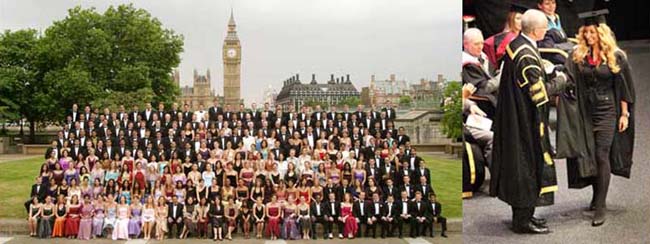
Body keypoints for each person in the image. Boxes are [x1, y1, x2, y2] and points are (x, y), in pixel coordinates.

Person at [491, 9, 568, 234]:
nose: (547, 31)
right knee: (526, 165)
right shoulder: (526, 55)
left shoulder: (517, 44)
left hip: (515, 116)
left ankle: (527, 215)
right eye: (545, 28)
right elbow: (539, 95)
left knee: (524, 165)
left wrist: (545, 69)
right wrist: (561, 80)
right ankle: (522, 221)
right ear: (536, 31)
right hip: (524, 122)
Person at [557, 11, 635, 227]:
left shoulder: (616, 56)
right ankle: (596, 197)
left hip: (607, 110)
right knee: (590, 154)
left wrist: (624, 114)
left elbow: (624, 87)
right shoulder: (578, 54)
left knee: (602, 154)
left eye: (592, 32)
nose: (589, 36)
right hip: (585, 112)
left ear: (601, 33)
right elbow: (568, 78)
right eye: (586, 32)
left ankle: (600, 206)